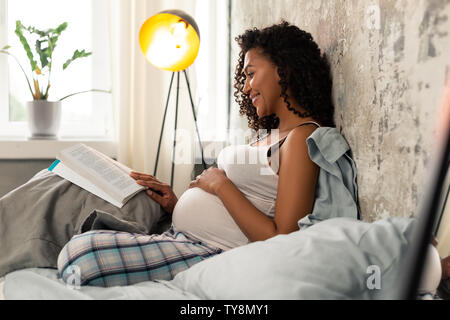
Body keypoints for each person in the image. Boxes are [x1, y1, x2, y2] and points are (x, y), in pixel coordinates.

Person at [57, 20, 336, 287]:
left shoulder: (302, 137)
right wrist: (176, 204)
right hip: (181, 235)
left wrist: (220, 184)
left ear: (283, 70)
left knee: (80, 255)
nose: (245, 86)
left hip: (210, 251)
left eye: (251, 74)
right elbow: (237, 206)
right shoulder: (269, 135)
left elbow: (283, 237)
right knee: (77, 216)